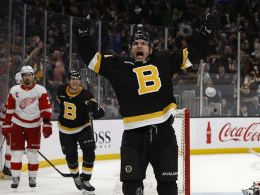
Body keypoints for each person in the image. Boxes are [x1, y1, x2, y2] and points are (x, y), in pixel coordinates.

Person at [72, 12, 216, 195]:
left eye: (143, 43)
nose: (139, 46)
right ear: (131, 49)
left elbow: (195, 54)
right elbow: (91, 59)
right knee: (131, 188)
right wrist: (83, 35)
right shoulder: (118, 65)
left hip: (163, 134)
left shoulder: (165, 59)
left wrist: (207, 31)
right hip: (134, 137)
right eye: (135, 44)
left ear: (150, 48)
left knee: (168, 188)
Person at [2, 65, 52, 189]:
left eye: (29, 74)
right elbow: (9, 109)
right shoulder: (14, 90)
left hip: (34, 125)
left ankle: (32, 178)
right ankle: (15, 178)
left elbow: (45, 108)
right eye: (25, 75)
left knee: (32, 153)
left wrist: (46, 123)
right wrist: (7, 124)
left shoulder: (40, 90)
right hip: (18, 124)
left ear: (33, 76)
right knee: (16, 153)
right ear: (22, 77)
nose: (27, 77)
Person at [56, 70, 104, 195]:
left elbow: (97, 110)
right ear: (68, 81)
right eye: (72, 78)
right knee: (71, 156)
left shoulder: (86, 95)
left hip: (83, 127)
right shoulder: (60, 90)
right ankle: (76, 176)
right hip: (65, 129)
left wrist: (98, 111)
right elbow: (59, 103)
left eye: (77, 78)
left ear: (80, 81)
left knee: (89, 151)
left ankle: (86, 180)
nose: (75, 81)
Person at [0, 72, 23, 179]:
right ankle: (7, 168)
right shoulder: (18, 91)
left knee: (11, 146)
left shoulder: (16, 90)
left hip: (7, 120)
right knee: (11, 146)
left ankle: (7, 168)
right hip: (8, 122)